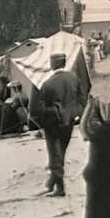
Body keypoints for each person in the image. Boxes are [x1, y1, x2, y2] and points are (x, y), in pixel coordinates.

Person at [35, 51, 82, 196]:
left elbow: (39, 107)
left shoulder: (48, 83)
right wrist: (75, 114)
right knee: (61, 150)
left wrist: (45, 120)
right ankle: (51, 182)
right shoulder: (74, 78)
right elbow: (82, 99)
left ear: (54, 64)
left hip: (53, 122)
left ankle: (59, 187)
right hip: (69, 121)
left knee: (55, 153)